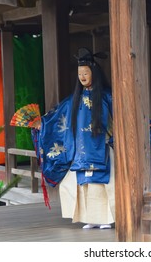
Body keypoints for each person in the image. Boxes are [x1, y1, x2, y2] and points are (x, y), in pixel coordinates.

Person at [32, 47, 114, 229]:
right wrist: (42, 124)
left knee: (102, 185)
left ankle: (106, 218)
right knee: (81, 185)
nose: (82, 77)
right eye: (80, 74)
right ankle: (90, 218)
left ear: (94, 73)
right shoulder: (73, 99)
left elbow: (123, 116)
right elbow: (56, 115)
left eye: (86, 72)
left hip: (102, 149)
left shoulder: (108, 97)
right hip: (81, 150)